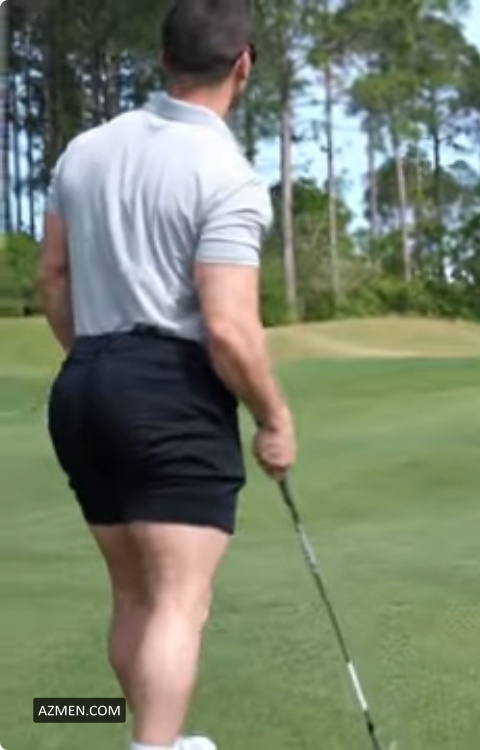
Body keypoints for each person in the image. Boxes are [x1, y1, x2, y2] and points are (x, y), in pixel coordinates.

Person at [39, 1, 296, 748]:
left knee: (134, 596)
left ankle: (160, 739)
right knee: (181, 602)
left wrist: (100, 362)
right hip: (169, 392)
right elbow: (229, 328)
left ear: (163, 57)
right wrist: (274, 417)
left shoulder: (85, 151)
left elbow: (52, 280)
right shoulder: (228, 174)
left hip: (83, 383)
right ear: (243, 64)